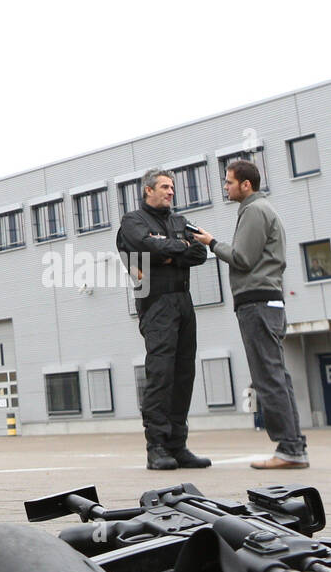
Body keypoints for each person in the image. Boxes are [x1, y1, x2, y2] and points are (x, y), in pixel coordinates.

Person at [191, 159, 308, 469]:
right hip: (266, 303)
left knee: (268, 378)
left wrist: (211, 242)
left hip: (257, 303)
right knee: (276, 376)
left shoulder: (255, 211)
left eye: (229, 182)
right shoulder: (259, 210)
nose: (225, 187)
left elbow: (242, 258)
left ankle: (289, 451)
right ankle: (293, 446)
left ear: (246, 184)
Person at [117, 168, 209, 469]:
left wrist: (169, 251)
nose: (171, 192)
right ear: (148, 190)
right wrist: (175, 248)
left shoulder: (179, 221)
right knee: (161, 373)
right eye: (166, 187)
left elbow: (199, 253)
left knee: (184, 374)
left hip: (184, 301)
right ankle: (156, 447)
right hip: (156, 302)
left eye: (172, 188)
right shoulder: (133, 221)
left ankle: (178, 445)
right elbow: (143, 246)